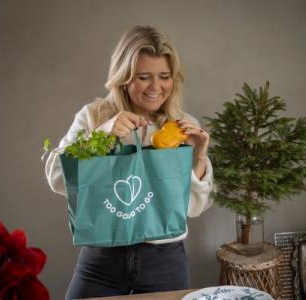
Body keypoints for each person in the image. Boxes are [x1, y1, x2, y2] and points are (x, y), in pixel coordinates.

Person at [44, 25, 214, 299]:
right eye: (144, 77)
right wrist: (103, 132)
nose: (156, 87)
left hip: (164, 261)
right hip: (102, 259)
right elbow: (56, 179)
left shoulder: (183, 126)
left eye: (165, 76)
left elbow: (194, 208)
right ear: (124, 77)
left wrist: (200, 156)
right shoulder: (94, 116)